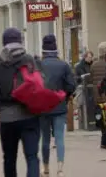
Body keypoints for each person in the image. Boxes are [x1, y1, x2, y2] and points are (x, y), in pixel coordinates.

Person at [0, 27, 40, 177]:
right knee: (32, 157)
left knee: (9, 158)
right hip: (29, 115)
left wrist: (1, 108)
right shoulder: (30, 60)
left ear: (4, 42)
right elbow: (40, 84)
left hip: (7, 117)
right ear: (20, 41)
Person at [39, 34, 76, 177]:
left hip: (42, 107)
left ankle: (45, 168)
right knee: (59, 137)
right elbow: (71, 85)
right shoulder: (64, 65)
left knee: (45, 138)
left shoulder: (37, 65)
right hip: (59, 106)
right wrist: (65, 96)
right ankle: (60, 169)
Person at [89, 41, 106, 149]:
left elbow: (92, 78)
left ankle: (104, 141)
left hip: (98, 96)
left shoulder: (94, 65)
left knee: (102, 120)